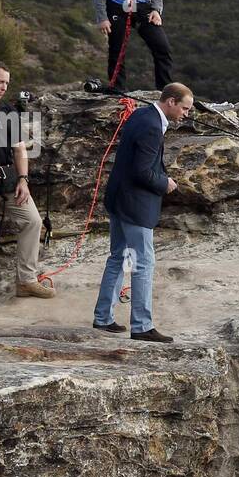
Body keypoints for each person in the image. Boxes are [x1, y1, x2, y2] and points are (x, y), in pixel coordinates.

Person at [93, 82, 193, 342]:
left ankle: (103, 317)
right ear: (170, 101)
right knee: (142, 263)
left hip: (118, 200)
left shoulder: (141, 114)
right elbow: (142, 171)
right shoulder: (151, 126)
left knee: (119, 257)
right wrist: (165, 183)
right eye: (184, 108)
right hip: (135, 206)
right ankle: (141, 325)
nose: (186, 114)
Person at [0, 61, 55, 309]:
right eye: (0, 81)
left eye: (7, 82)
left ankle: (26, 281)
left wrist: (23, 180)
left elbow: (20, 149)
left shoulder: (9, 111)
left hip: (8, 179)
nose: (4, 87)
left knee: (33, 220)